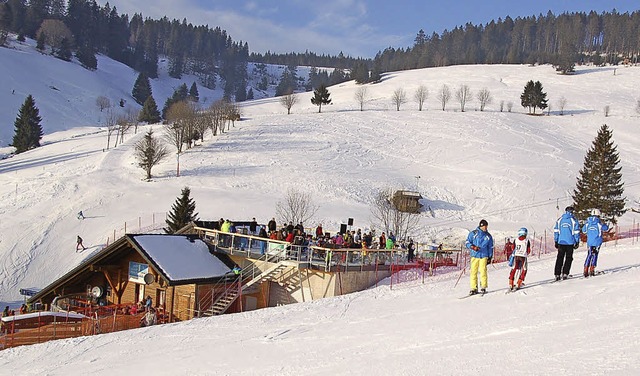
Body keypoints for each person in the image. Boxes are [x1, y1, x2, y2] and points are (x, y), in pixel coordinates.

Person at [465, 219, 494, 295]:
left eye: (486, 226)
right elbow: (467, 242)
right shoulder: (473, 233)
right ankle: (473, 288)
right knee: (473, 272)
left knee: (483, 271)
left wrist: (490, 256)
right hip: (475, 255)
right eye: (484, 226)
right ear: (481, 226)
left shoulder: (488, 236)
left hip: (483, 255)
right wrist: (472, 247)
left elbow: (490, 247)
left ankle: (483, 287)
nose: (485, 228)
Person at [553, 206, 581, 281]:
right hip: (570, 242)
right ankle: (565, 273)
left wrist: (556, 240)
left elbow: (556, 231)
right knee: (569, 258)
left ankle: (557, 274)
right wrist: (577, 241)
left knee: (560, 258)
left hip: (561, 242)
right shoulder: (574, 220)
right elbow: (576, 232)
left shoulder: (560, 220)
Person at [582, 209, 609, 277]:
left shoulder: (588, 223)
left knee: (589, 254)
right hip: (597, 241)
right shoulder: (599, 223)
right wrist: (605, 224)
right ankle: (592, 269)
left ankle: (585, 269)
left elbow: (583, 230)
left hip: (590, 241)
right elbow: (605, 228)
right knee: (595, 255)